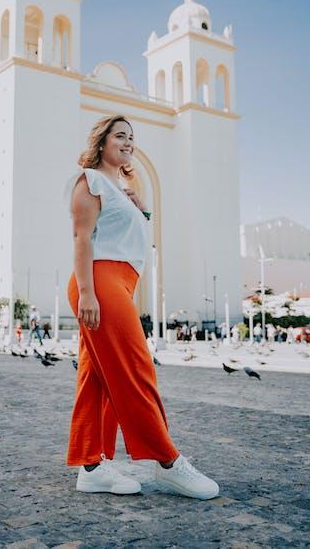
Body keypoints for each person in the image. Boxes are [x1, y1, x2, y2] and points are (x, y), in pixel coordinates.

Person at [64, 115, 219, 499]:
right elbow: (82, 239)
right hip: (99, 282)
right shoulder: (90, 180)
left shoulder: (120, 189)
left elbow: (126, 235)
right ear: (102, 142)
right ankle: (167, 461)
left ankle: (92, 466)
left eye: (132, 138)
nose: (128, 142)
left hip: (120, 283)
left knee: (97, 377)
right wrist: (86, 293)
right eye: (120, 136)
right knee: (136, 369)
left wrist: (141, 207)